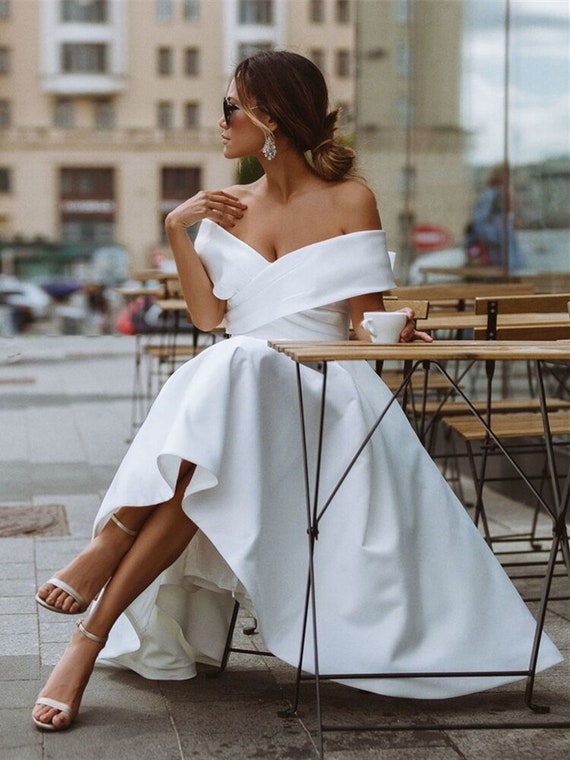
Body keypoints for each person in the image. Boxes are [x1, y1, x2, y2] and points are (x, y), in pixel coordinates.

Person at [33, 51, 560, 732]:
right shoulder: (226, 209)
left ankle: (109, 556)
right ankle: (90, 636)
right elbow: (208, 320)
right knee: (238, 373)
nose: (218, 121)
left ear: (270, 117)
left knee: (238, 372)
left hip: (325, 393)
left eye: (229, 108)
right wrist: (177, 228)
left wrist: (395, 336)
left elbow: (364, 328)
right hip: (240, 398)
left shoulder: (350, 199)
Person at [465, 163, 526, 271]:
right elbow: (479, 221)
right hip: (496, 254)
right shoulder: (490, 195)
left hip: (507, 255)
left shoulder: (500, 192)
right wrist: (496, 236)